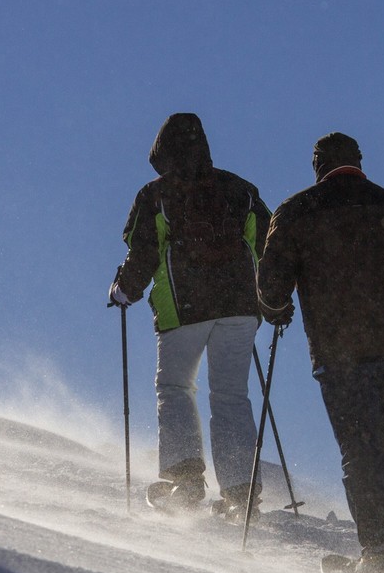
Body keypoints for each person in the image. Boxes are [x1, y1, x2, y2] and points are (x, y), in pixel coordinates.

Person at [257, 132, 384, 573]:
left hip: (340, 349)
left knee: (358, 449)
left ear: (317, 165)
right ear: (359, 161)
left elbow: (271, 282)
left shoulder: (296, 211)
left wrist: (277, 311)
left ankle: (376, 554)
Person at [110, 113, 271, 519]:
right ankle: (240, 491)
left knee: (176, 387)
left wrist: (125, 289)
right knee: (232, 395)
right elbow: (268, 242)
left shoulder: (156, 194)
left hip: (185, 306)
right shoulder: (240, 189)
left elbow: (143, 250)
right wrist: (268, 298)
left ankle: (185, 479)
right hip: (240, 307)